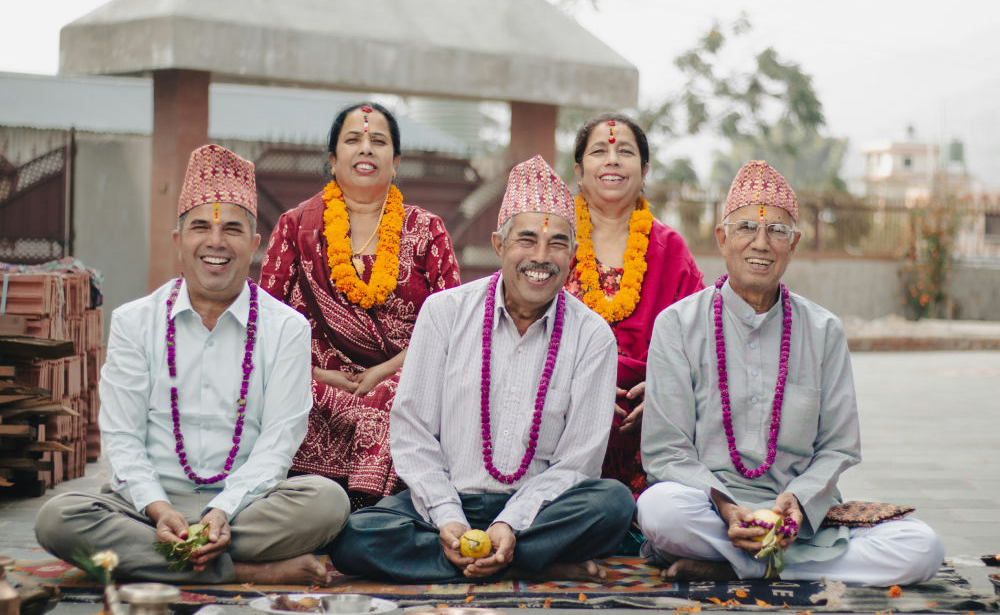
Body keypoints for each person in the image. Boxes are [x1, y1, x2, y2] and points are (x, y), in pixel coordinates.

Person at [35, 145, 349, 585]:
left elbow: (279, 443)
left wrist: (222, 509)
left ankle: (169, 561)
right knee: (58, 517)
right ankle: (242, 570)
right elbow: (122, 438)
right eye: (200, 226)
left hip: (244, 508)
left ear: (254, 244)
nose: (216, 242)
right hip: (146, 509)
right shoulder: (135, 321)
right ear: (179, 239)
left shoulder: (287, 328)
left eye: (233, 229)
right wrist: (159, 508)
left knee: (327, 503)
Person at [637, 160, 944, 586]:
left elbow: (839, 447)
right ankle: (767, 563)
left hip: (800, 520)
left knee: (923, 547)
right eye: (746, 228)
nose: (761, 243)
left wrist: (797, 502)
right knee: (659, 510)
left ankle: (743, 564)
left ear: (794, 243)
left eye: (777, 231)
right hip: (711, 509)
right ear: (722, 239)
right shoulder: (678, 324)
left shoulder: (824, 331)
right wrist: (726, 506)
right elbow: (665, 450)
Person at [329, 156, 635, 583]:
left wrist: (511, 523)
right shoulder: (445, 313)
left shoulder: (592, 336)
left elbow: (577, 462)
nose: (541, 258)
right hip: (450, 500)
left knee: (614, 504)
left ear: (574, 255)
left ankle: (493, 555)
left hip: (539, 508)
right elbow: (413, 429)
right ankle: (532, 562)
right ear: (499, 244)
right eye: (526, 240)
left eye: (558, 244)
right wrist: (449, 519)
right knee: (352, 538)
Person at [260, 102, 461, 510]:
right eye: (353, 140)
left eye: (379, 141)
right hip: (311, 381)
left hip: (404, 379)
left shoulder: (427, 230)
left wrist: (385, 372)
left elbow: (454, 326)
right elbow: (266, 323)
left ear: (396, 160)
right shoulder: (296, 227)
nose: (366, 149)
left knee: (398, 395)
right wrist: (317, 373)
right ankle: (320, 504)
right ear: (333, 160)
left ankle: (372, 507)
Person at [565, 113, 704, 498]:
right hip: (561, 414)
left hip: (650, 420)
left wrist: (663, 389)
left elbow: (699, 340)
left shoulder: (670, 248)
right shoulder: (554, 240)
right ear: (579, 171)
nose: (612, 159)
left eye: (624, 151)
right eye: (599, 151)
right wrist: (578, 388)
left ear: (643, 171)